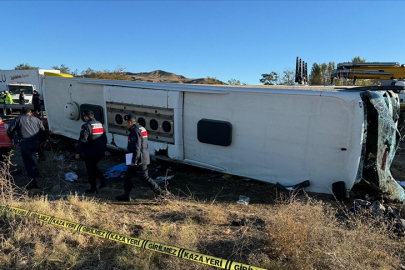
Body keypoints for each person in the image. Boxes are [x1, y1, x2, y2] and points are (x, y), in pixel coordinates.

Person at [116, 114, 162, 201]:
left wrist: (134, 160)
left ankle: (161, 193)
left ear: (130, 122)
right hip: (139, 157)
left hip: (138, 159)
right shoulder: (141, 128)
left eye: (126, 123)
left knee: (145, 177)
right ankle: (126, 195)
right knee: (127, 176)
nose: (125, 125)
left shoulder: (134, 131)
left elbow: (137, 147)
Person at [7, 107, 48, 189]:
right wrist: (42, 142)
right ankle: (34, 168)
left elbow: (10, 130)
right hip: (36, 143)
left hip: (25, 142)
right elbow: (43, 132)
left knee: (27, 163)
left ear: (22, 113)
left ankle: (33, 183)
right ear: (30, 112)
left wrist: (12, 139)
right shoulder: (37, 120)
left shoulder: (18, 119)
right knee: (29, 157)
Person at [75, 110, 107, 193]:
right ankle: (102, 180)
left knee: (90, 170)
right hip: (100, 151)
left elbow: (83, 140)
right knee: (93, 167)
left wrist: (78, 152)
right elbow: (104, 138)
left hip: (90, 152)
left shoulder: (86, 126)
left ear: (86, 117)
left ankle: (93, 188)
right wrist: (104, 149)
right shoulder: (100, 124)